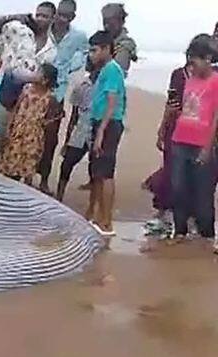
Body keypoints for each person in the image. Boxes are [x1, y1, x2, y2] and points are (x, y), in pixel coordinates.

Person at [168, 37, 218, 241]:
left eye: (194, 61)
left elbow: (215, 116)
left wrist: (207, 146)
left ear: (207, 58)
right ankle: (180, 230)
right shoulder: (190, 80)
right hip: (180, 139)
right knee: (178, 188)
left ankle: (207, 234)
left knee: (202, 193)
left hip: (201, 143)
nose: (191, 66)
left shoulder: (216, 81)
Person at [37, 0, 88, 193]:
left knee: (50, 139)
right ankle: (26, 176)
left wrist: (70, 69)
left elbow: (84, 56)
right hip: (36, 90)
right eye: (59, 14)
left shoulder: (79, 37)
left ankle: (43, 180)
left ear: (72, 17)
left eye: (66, 15)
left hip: (57, 93)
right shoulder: (43, 31)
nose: (61, 18)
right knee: (31, 135)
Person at [86, 31, 127, 237]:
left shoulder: (111, 70)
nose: (91, 55)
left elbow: (112, 101)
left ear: (106, 49)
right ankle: (99, 217)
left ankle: (107, 222)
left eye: (94, 50)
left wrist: (101, 131)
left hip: (108, 124)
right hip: (101, 122)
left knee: (106, 173)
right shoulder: (105, 70)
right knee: (99, 173)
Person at [0, 3, 57, 112]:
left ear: (53, 19)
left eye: (45, 16)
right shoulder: (20, 31)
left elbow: (44, 78)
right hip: (5, 96)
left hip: (28, 103)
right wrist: (21, 16)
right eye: (37, 15)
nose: (40, 19)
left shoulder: (52, 49)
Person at [0, 63, 59, 184]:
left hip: (33, 137)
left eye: (38, 72)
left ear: (45, 80)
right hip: (18, 132)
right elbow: (15, 109)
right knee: (11, 163)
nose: (34, 74)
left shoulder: (50, 98)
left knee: (28, 166)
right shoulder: (26, 90)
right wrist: (9, 127)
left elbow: (50, 122)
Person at [56, 59, 97, 201]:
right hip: (81, 130)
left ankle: (94, 202)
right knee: (67, 163)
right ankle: (59, 195)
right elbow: (74, 116)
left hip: (97, 132)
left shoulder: (106, 86)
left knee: (97, 169)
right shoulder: (82, 86)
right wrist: (67, 140)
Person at [101, 3, 137, 75]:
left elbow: (116, 72)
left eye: (112, 24)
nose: (107, 26)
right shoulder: (103, 40)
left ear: (122, 22)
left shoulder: (125, 45)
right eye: (105, 22)